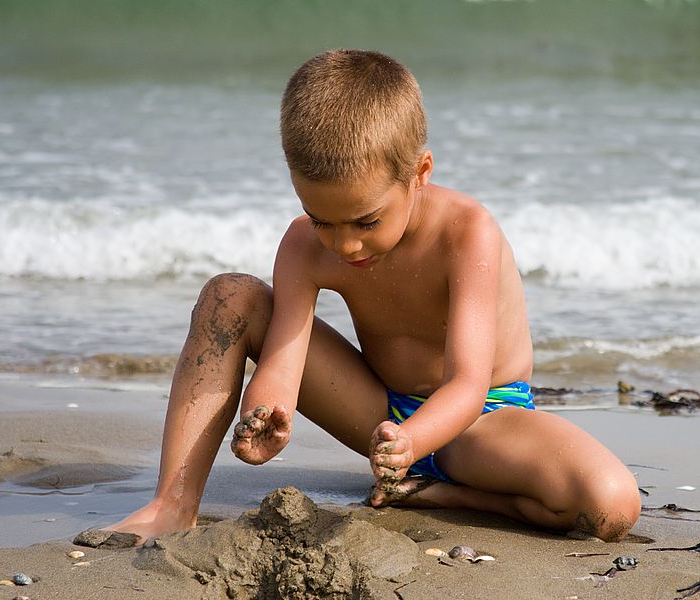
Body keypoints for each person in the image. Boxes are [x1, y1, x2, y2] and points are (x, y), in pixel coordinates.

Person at [104, 49, 640, 544]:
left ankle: (450, 495)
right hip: (377, 413)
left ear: (419, 174)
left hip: (479, 424)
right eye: (322, 221)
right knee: (230, 297)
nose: (345, 244)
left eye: (366, 220)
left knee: (611, 506)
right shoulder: (304, 246)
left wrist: (413, 442)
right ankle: (172, 503)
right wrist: (265, 411)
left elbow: (469, 386)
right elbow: (284, 363)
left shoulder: (466, 233)